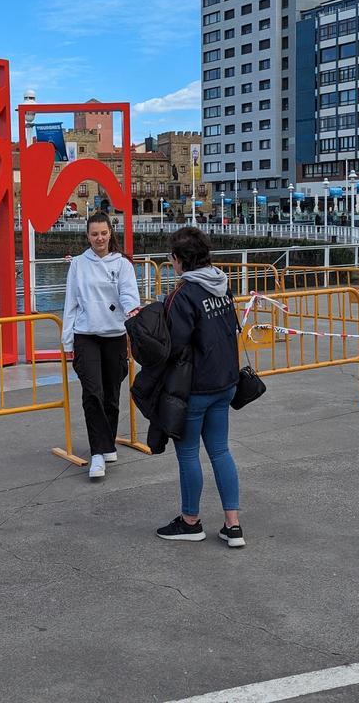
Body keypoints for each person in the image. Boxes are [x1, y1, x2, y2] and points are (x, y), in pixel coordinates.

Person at [155, 227, 244, 548]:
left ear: (180, 260)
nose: (171, 262)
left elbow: (174, 345)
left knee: (189, 453)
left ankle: (190, 521)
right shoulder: (222, 285)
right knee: (220, 450)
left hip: (195, 387)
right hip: (226, 381)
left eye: (172, 257)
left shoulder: (184, 294)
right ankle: (233, 525)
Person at [61, 212, 140, 481]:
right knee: (92, 393)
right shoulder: (79, 265)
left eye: (103, 233)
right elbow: (70, 302)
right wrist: (67, 340)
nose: (99, 238)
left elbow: (130, 295)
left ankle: (107, 442)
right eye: (94, 234)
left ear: (110, 233)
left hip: (115, 334)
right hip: (86, 334)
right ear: (87, 236)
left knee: (111, 395)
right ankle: (98, 452)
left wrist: (134, 319)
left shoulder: (123, 265)